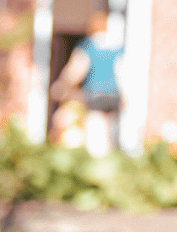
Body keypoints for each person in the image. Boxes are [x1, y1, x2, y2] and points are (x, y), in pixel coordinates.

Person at [50, 11, 125, 157]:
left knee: (96, 130)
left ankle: (97, 162)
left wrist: (63, 84)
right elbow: (121, 72)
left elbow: (76, 69)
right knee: (111, 130)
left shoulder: (89, 46)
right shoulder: (116, 48)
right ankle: (111, 158)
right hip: (113, 95)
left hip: (95, 93)